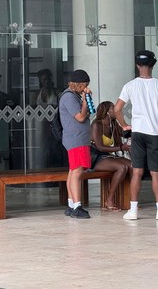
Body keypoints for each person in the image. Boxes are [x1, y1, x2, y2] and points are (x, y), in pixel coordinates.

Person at [114, 50, 158, 220]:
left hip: (137, 133)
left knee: (137, 172)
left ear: (137, 65)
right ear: (153, 65)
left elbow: (116, 109)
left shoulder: (130, 85)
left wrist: (124, 125)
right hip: (155, 133)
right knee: (156, 173)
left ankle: (133, 210)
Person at [59, 69, 93, 219]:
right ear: (78, 84)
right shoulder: (69, 97)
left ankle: (71, 204)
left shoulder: (74, 95)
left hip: (78, 139)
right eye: (84, 84)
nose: (86, 87)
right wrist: (85, 103)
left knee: (73, 171)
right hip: (76, 139)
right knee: (77, 171)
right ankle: (77, 206)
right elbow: (80, 117)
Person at [91, 101, 132, 210]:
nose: (117, 109)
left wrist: (129, 127)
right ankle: (109, 199)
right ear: (107, 112)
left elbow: (125, 133)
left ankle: (132, 201)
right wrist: (120, 148)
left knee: (133, 166)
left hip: (107, 156)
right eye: (113, 108)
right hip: (96, 158)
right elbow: (99, 147)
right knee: (121, 167)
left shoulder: (114, 124)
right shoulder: (97, 124)